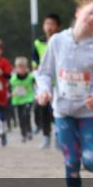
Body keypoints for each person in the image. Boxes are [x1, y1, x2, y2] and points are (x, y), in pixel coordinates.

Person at [35, 0, 93, 187]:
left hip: (88, 113)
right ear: (78, 13)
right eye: (90, 13)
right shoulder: (57, 41)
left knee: (91, 161)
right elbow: (44, 72)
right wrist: (44, 90)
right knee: (71, 161)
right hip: (63, 112)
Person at [32, 13, 61, 149]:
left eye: (52, 24)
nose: (49, 27)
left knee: (57, 110)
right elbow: (35, 63)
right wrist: (39, 80)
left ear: (58, 27)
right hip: (44, 81)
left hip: (60, 82)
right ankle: (46, 135)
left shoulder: (62, 42)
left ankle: (58, 136)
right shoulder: (38, 43)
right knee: (42, 108)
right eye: (47, 24)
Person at [9, 56, 35, 143]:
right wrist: (11, 93)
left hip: (28, 99)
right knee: (20, 118)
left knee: (26, 114)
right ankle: (23, 134)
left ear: (26, 67)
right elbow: (9, 89)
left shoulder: (31, 77)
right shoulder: (13, 78)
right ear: (16, 68)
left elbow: (37, 85)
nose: (21, 69)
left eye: (23, 67)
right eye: (19, 67)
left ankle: (29, 130)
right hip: (18, 100)